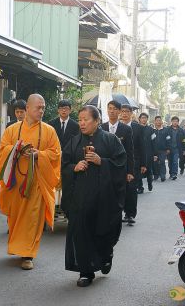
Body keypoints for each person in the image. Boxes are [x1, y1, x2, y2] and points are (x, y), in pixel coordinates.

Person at [61, 105, 127, 287]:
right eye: (80, 119)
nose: (81, 123)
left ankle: (106, 256)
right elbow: (63, 164)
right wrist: (74, 167)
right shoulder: (73, 142)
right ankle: (85, 271)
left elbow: (121, 164)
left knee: (103, 232)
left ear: (97, 121)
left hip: (104, 199)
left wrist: (102, 162)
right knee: (81, 232)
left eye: (86, 119)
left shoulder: (111, 140)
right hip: (80, 198)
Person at [0, 94, 61, 270]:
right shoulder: (12, 130)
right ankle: (17, 247)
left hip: (36, 183)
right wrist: (15, 150)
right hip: (15, 182)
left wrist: (38, 154)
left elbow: (55, 154)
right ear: (27, 110)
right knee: (16, 218)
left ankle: (28, 254)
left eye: (43, 108)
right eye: (38, 108)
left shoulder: (49, 130)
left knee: (33, 218)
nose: (41, 111)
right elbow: (2, 150)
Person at [101, 101, 134, 221]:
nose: (112, 111)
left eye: (115, 109)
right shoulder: (102, 127)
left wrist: (130, 171)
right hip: (105, 165)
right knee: (106, 190)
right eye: (109, 108)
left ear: (119, 111)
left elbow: (130, 151)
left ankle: (119, 213)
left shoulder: (126, 129)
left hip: (120, 166)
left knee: (119, 191)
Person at [119, 104, 146, 225]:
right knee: (119, 188)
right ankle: (119, 212)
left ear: (131, 113)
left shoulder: (138, 128)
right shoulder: (116, 127)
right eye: (123, 111)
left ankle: (130, 214)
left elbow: (142, 146)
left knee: (131, 189)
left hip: (134, 162)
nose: (124, 114)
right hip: (118, 163)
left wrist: (143, 164)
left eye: (127, 112)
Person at [151, 116, 171, 183]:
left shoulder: (166, 130)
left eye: (160, 120)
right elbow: (150, 140)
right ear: (155, 121)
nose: (158, 122)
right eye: (157, 120)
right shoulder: (152, 130)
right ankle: (156, 175)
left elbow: (168, 139)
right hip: (154, 150)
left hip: (163, 150)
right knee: (155, 163)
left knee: (162, 162)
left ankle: (163, 175)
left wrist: (168, 148)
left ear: (161, 121)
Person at [137, 113, 154, 193]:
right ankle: (140, 187)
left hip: (149, 153)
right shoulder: (135, 128)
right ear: (139, 119)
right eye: (142, 118)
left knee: (149, 170)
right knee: (138, 170)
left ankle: (150, 183)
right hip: (139, 153)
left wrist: (155, 154)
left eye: (145, 118)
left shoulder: (151, 129)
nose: (144, 119)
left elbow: (154, 142)